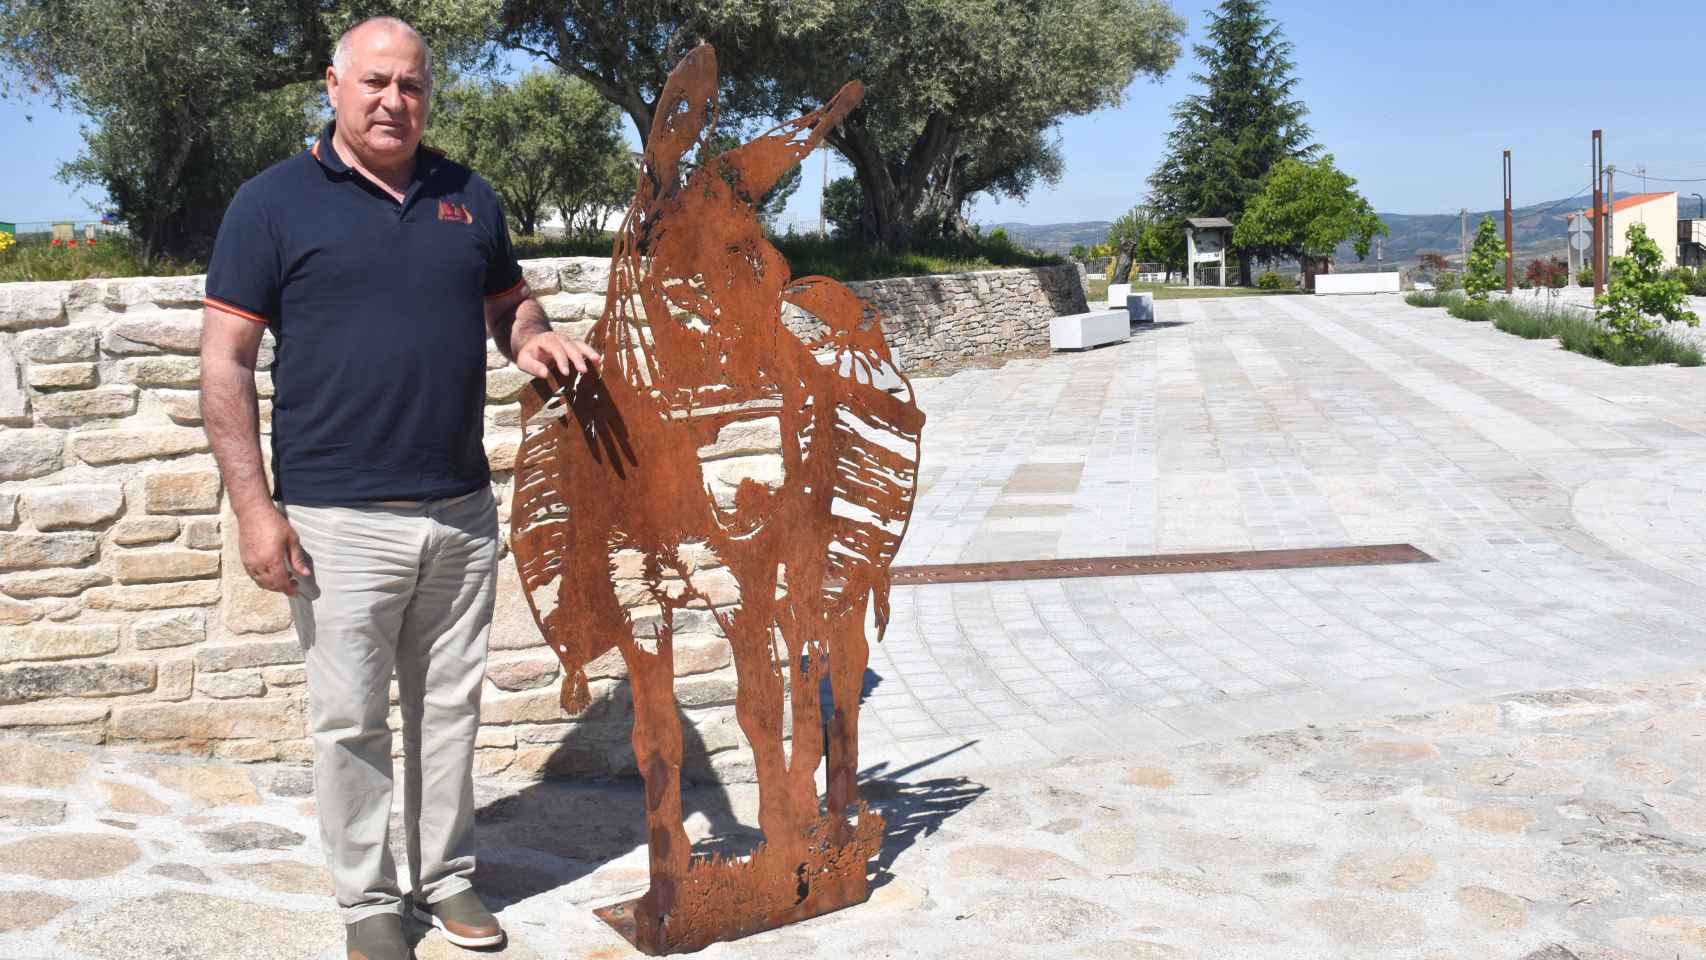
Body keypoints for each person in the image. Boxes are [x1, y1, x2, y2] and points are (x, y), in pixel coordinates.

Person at [198, 16, 600, 960]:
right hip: (336, 518)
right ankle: (369, 899)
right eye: (375, 82)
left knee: (450, 711)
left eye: (411, 85)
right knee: (350, 721)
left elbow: (509, 301)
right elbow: (225, 363)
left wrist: (532, 337)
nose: (393, 101)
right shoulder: (271, 202)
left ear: (428, 95)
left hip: (460, 510)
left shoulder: (469, 196)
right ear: (333, 84)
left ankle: (448, 877)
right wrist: (256, 511)